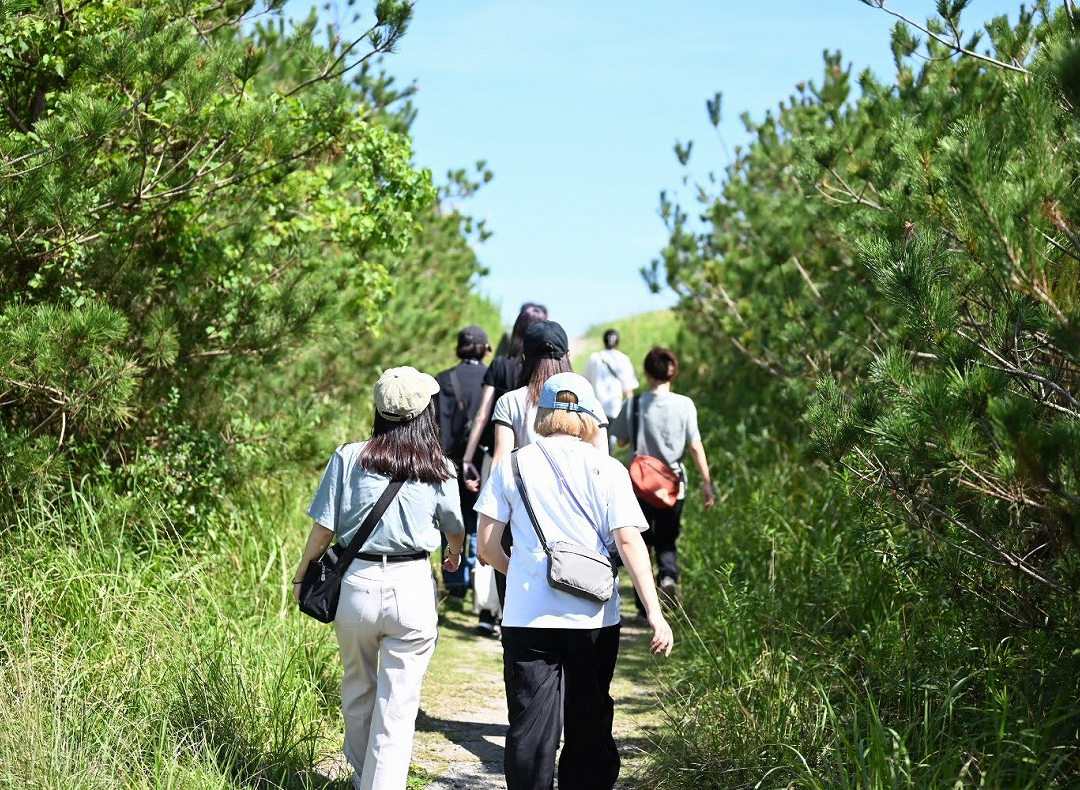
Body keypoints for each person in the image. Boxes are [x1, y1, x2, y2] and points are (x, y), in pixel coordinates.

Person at [475, 372, 674, 790]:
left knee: (530, 724)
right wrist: (655, 613)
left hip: (527, 617)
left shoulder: (511, 465)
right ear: (589, 417)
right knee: (589, 720)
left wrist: (525, 574)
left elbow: (488, 548)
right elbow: (629, 542)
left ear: (543, 414)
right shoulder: (609, 469)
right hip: (593, 617)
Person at [292, 366, 465, 790]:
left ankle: (361, 775)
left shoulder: (348, 457)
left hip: (357, 585)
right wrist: (454, 553)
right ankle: (379, 782)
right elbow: (455, 527)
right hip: (411, 585)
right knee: (398, 704)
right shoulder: (439, 466)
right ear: (424, 413)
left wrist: (301, 575)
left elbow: (323, 530)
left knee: (358, 689)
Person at [609, 347, 715, 614]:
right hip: (673, 488)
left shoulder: (634, 404)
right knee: (667, 540)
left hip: (638, 487)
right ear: (673, 372)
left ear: (647, 373)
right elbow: (695, 446)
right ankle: (667, 577)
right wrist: (707, 483)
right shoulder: (685, 404)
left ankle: (644, 606)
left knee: (641, 543)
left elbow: (620, 441)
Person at [460, 303, 548, 490]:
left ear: (516, 330)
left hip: (498, 454)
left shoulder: (500, 364)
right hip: (538, 455)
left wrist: (467, 458)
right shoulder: (547, 369)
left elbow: (482, 415)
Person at [434, 325, 491, 599]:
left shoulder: (442, 380)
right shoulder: (492, 380)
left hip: (447, 461)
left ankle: (455, 581)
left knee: (450, 516)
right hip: (483, 459)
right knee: (479, 517)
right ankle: (477, 574)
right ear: (484, 349)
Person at [583, 328, 639, 428]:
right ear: (618, 342)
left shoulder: (595, 358)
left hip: (597, 410)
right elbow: (629, 391)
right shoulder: (624, 359)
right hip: (616, 409)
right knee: (613, 435)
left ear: (604, 342)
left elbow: (584, 381)